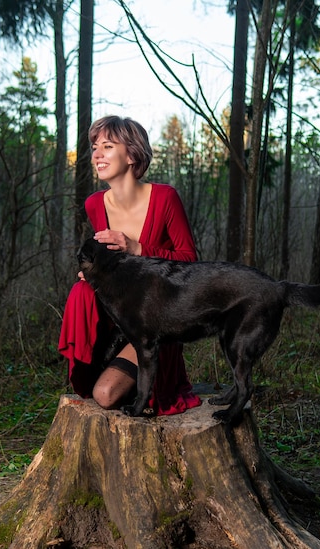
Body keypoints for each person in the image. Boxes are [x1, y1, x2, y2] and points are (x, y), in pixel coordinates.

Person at [59, 115, 201, 415]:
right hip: (114, 321)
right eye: (95, 146)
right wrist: (93, 275)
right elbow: (113, 271)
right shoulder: (94, 204)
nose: (97, 153)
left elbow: (190, 262)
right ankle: (94, 368)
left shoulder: (165, 198)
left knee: (106, 394)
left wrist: (136, 247)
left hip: (152, 326)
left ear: (132, 154)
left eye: (107, 146)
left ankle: (144, 379)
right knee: (80, 292)